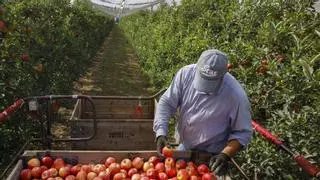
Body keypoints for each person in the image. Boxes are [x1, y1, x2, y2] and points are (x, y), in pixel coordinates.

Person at [153, 49, 252, 176]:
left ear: (223, 75)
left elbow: (242, 133)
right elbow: (167, 102)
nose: (204, 89)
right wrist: (161, 132)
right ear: (198, 67)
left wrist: (225, 155)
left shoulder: (236, 96)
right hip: (184, 147)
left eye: (210, 83)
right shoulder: (186, 74)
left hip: (210, 158)